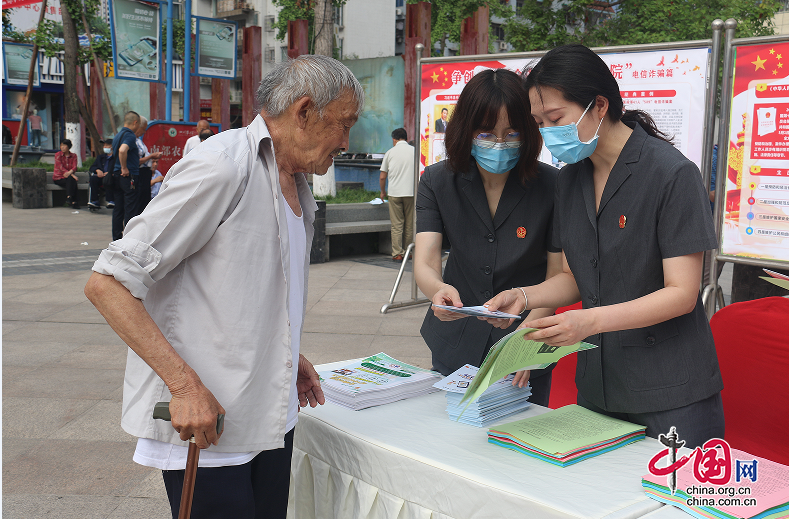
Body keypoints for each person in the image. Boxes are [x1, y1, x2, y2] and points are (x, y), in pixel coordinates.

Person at [84, 54, 363, 519]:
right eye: (344, 124)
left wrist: (283, 355)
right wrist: (184, 387)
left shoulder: (294, 180)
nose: (346, 141)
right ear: (305, 111)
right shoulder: (222, 167)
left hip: (269, 413)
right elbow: (108, 282)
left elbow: (247, 291)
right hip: (209, 429)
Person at [484, 44, 724, 448]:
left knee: (675, 507)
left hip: (671, 390)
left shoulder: (671, 174)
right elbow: (575, 277)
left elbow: (682, 294)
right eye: (539, 122)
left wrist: (589, 322)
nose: (547, 133)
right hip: (599, 384)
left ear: (599, 105)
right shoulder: (570, 180)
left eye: (555, 118)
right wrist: (523, 297)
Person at [414, 68, 562, 407]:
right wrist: (437, 291)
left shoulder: (553, 187)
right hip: (455, 341)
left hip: (525, 343)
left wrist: (527, 339)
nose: (499, 144)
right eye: (486, 133)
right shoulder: (437, 181)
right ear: (466, 130)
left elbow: (558, 276)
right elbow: (425, 259)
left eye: (512, 133)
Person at [380, 128, 415, 261]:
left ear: (394, 139)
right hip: (411, 193)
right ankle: (409, 252)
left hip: (395, 193)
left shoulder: (390, 153)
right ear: (405, 138)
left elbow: (383, 176)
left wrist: (383, 191)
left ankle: (397, 253)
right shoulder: (415, 151)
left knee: (397, 224)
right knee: (410, 223)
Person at [110, 111, 142, 241]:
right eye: (138, 124)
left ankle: (116, 238)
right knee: (130, 208)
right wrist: (125, 167)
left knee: (118, 208)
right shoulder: (129, 135)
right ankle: (129, 238)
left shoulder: (118, 135)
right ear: (135, 122)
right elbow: (122, 150)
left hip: (116, 176)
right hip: (127, 176)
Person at [135, 116, 162, 214]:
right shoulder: (132, 140)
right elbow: (136, 161)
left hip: (145, 174)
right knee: (140, 204)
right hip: (140, 174)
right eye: (143, 129)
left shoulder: (139, 140)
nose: (144, 132)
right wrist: (151, 156)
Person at [88, 139, 116, 209]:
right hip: (101, 177)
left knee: (108, 178)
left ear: (112, 147)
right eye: (104, 145)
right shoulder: (101, 157)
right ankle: (95, 201)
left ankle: (111, 200)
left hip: (112, 178)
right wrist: (97, 170)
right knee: (93, 179)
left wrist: (110, 173)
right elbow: (92, 167)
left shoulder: (116, 158)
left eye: (107, 145)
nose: (105, 147)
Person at [53, 139, 80, 208]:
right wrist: (72, 174)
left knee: (71, 180)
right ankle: (74, 201)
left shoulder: (74, 156)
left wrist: (70, 173)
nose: (62, 147)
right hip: (58, 178)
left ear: (69, 147)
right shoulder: (58, 155)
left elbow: (74, 167)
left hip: (68, 178)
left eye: (64, 145)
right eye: (61, 145)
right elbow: (60, 167)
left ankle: (69, 198)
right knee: (72, 180)